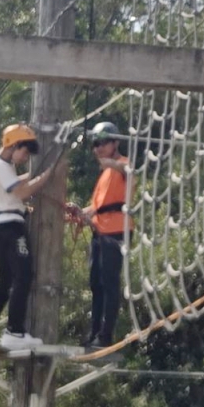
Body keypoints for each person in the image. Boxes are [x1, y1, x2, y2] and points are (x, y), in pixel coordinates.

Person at [0, 122, 58, 350]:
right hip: (11, 228)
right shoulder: (0, 166)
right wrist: (47, 176)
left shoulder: (2, 165)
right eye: (25, 152)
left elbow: (18, 184)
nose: (25, 157)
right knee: (23, 275)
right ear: (14, 145)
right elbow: (22, 192)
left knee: (5, 282)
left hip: (4, 227)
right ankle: (15, 331)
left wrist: (34, 175)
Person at [78, 122, 129, 350]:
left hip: (116, 231)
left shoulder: (123, 164)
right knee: (96, 285)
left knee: (109, 283)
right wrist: (79, 213)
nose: (98, 148)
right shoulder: (105, 174)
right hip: (99, 231)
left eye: (103, 143)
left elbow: (129, 171)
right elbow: (97, 207)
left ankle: (106, 335)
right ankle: (94, 332)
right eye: (95, 144)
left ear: (115, 143)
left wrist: (112, 164)